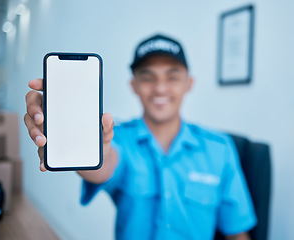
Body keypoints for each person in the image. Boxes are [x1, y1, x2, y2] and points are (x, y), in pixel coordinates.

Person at [24, 34, 257, 240]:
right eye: (147, 77)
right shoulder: (118, 138)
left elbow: (237, 232)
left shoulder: (219, 149)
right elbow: (104, 164)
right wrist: (76, 138)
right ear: (133, 85)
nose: (160, 88)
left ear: (189, 83)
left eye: (172, 76)